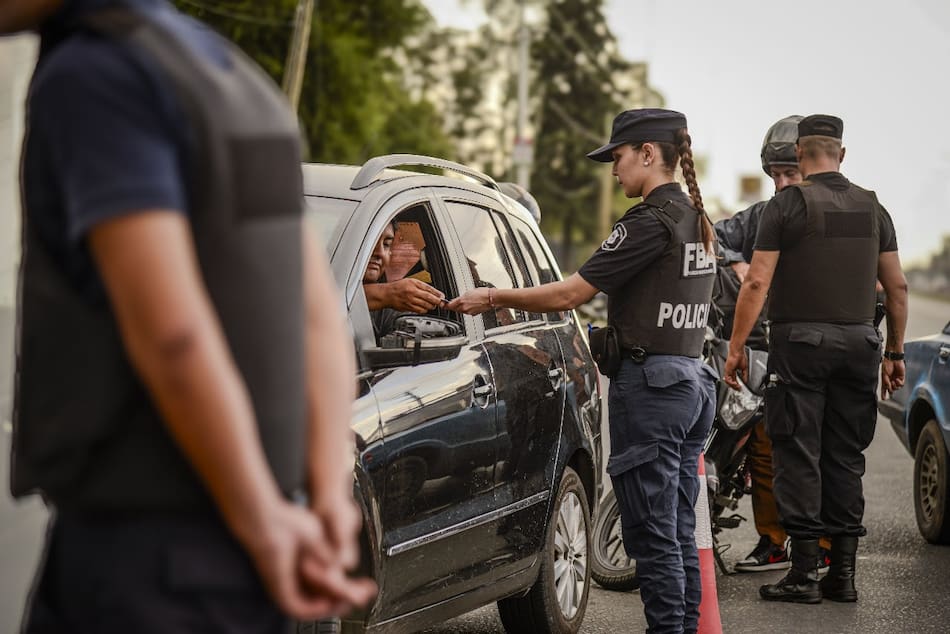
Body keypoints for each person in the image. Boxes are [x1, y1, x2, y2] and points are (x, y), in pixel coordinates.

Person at [6, 1, 375, 631]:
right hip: (250, 560)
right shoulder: (234, 77)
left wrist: (260, 519)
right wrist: (322, 498)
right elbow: (317, 319)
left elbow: (172, 334)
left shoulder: (96, 75)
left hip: (145, 559)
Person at [449, 108, 718, 633]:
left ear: (647, 153)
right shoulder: (697, 219)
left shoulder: (648, 223)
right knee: (677, 530)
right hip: (690, 384)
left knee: (654, 537)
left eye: (618, 157)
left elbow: (571, 293)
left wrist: (494, 296)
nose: (614, 170)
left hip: (654, 391)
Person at [723, 114, 908, 604]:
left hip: (801, 348)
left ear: (801, 155)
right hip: (861, 347)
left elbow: (756, 282)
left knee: (798, 454)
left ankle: (804, 574)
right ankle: (842, 576)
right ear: (841, 154)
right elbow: (897, 288)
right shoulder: (874, 208)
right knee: (845, 458)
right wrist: (894, 352)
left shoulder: (786, 206)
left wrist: (737, 347)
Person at [714, 115, 834, 573]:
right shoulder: (762, 216)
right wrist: (734, 260)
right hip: (768, 352)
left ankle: (825, 546)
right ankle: (775, 541)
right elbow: (712, 236)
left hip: (819, 353)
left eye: (790, 174)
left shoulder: (837, 215)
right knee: (764, 448)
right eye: (775, 175)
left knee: (818, 452)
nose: (782, 184)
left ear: (811, 165)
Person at [362, 220, 445, 339]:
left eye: (386, 244)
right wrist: (385, 294)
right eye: (369, 242)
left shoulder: (397, 308)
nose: (380, 253)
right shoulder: (392, 296)